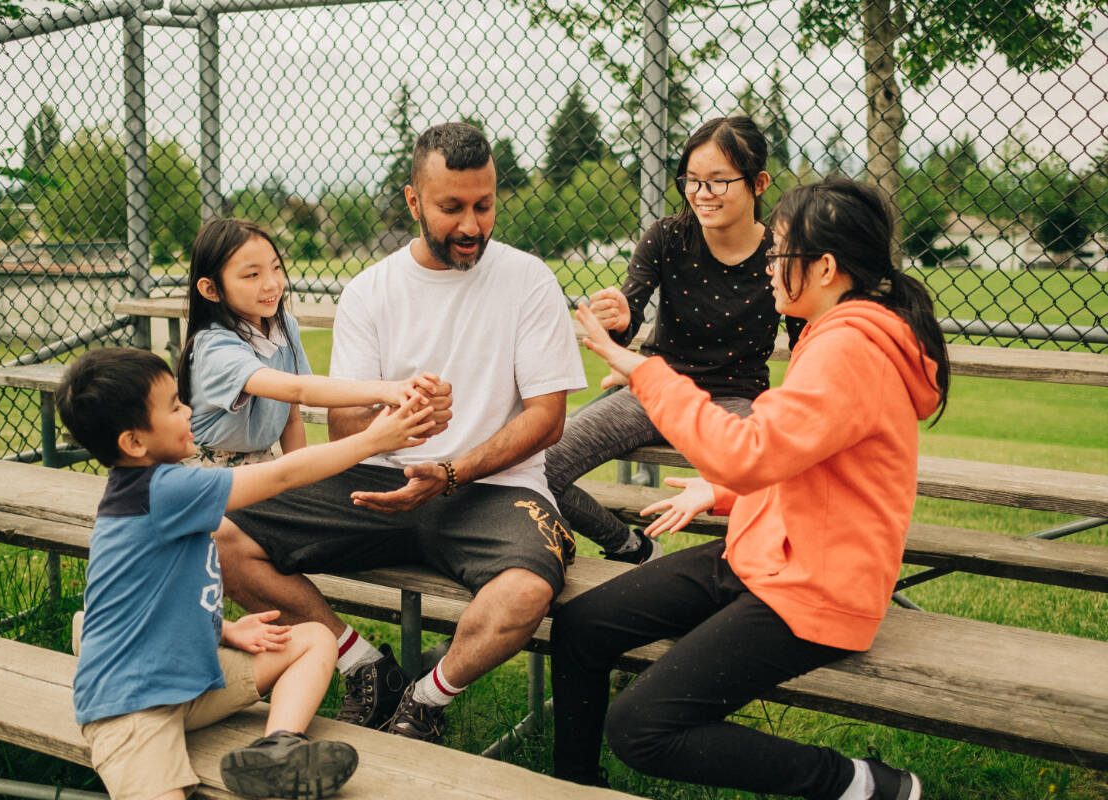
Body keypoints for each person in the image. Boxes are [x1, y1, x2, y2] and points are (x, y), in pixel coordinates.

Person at [550, 177, 950, 800]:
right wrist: (721, 496)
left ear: (823, 267)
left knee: (641, 729)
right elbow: (802, 459)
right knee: (582, 627)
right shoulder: (833, 333)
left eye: (779, 252)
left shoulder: (850, 347)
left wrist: (648, 372)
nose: (768, 264)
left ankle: (860, 785)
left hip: (816, 589)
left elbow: (747, 452)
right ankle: (572, 785)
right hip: (764, 554)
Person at [214, 121, 587, 744]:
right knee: (220, 534)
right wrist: (401, 422)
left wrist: (450, 471)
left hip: (490, 489)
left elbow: (547, 417)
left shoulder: (528, 280)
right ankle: (364, 665)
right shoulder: (371, 290)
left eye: (484, 205)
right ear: (414, 201)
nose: (471, 225)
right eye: (452, 208)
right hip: (374, 480)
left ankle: (426, 698)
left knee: (525, 591)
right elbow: (345, 426)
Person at [57, 347, 434, 800]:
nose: (188, 410)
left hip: (190, 679)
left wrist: (226, 629)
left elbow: (155, 596)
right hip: (131, 706)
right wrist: (373, 439)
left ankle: (279, 750)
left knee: (314, 638)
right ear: (134, 442)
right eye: (174, 406)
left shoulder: (156, 490)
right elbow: (281, 476)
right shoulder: (164, 490)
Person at [544, 116, 804, 565]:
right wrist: (621, 318)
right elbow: (628, 317)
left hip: (734, 398)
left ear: (758, 182)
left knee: (771, 479)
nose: (703, 194)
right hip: (654, 387)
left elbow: (807, 350)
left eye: (719, 182)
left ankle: (743, 573)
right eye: (692, 180)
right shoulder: (668, 236)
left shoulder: (778, 254)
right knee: (538, 468)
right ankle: (630, 546)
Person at [175, 217, 438, 467]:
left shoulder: (284, 326)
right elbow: (299, 390)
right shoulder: (214, 347)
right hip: (210, 469)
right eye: (252, 275)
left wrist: (300, 485)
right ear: (211, 289)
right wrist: (385, 390)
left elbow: (291, 420)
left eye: (276, 268)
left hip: (261, 462)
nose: (271, 284)